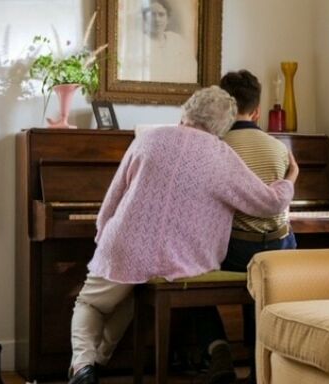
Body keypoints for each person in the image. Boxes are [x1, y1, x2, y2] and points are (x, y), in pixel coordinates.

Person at [67, 86, 299, 384]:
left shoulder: (146, 139)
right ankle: (96, 363)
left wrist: (103, 234)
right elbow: (268, 203)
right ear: (223, 126)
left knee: (93, 303)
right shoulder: (221, 155)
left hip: (127, 245)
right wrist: (290, 178)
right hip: (185, 259)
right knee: (128, 296)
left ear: (186, 110)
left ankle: (85, 366)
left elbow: (114, 196)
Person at [220, 70, 297, 382]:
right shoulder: (280, 148)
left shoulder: (218, 145)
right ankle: (261, 368)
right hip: (280, 246)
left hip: (239, 251)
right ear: (256, 110)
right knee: (274, 258)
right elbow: (283, 199)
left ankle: (215, 353)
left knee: (186, 264)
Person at [118, 0, 197, 83]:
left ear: (168, 19)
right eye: (152, 14)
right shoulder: (136, 41)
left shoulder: (176, 40)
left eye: (161, 14)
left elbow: (190, 68)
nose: (157, 19)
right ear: (145, 19)